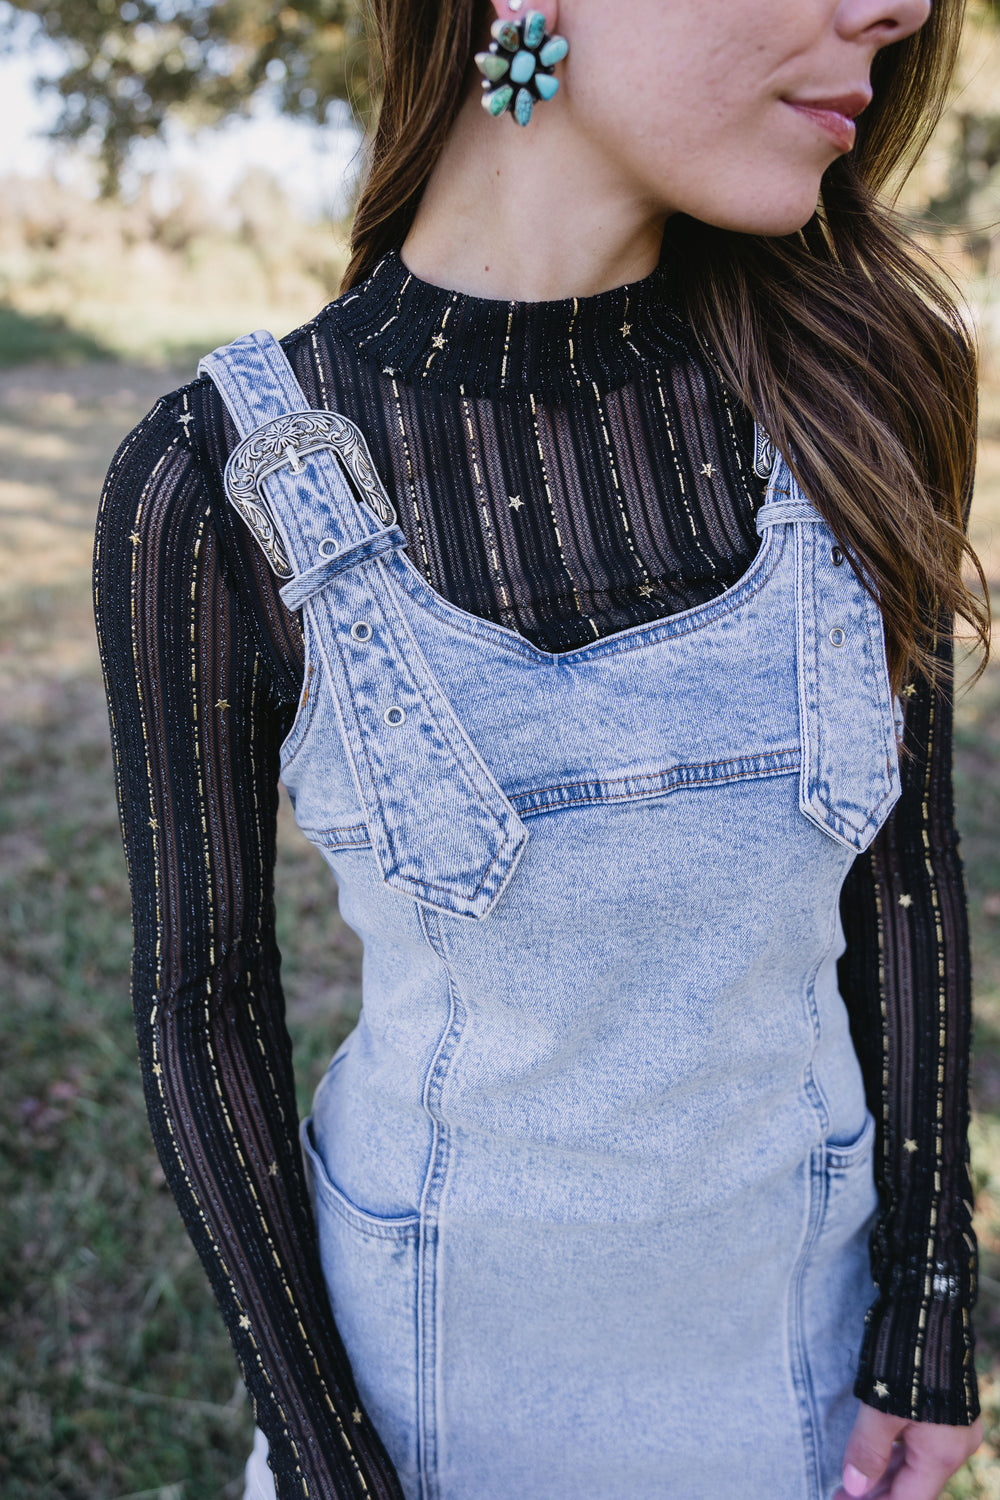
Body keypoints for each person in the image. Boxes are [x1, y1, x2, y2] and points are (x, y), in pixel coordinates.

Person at [93, 0, 993, 1496]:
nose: (898, 7)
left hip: (799, 1391)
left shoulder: (861, 390)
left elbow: (905, 882)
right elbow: (205, 1007)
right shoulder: (215, 486)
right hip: (436, 1405)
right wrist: (330, 1472)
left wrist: (930, 1321)